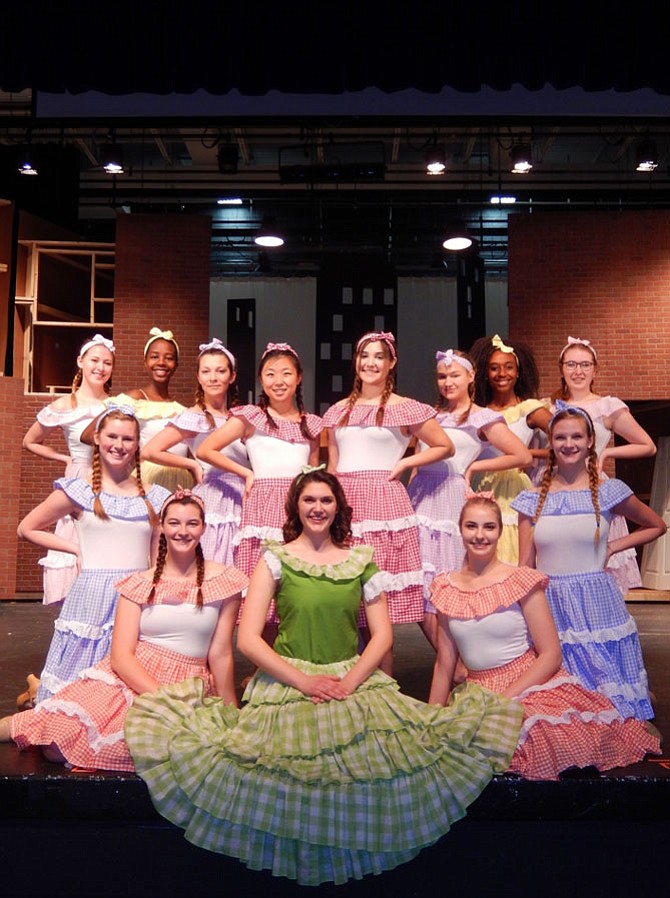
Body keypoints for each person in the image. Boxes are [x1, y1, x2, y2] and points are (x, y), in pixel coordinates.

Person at [123, 469, 523, 887]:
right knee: (285, 776)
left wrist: (350, 682)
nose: (317, 508)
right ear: (297, 505)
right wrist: (303, 681)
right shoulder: (274, 557)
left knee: (376, 770)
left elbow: (383, 634)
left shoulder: (361, 559)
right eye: (309, 499)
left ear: (338, 507)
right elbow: (249, 639)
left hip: (351, 679)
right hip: (288, 684)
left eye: (326, 500)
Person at [1, 490, 248, 771]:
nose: (183, 531)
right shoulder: (138, 583)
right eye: (174, 523)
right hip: (135, 676)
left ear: (203, 527)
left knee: (165, 748)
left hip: (188, 682)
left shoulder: (224, 581)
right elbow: (121, 655)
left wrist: (231, 711)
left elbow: (221, 653)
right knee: (57, 742)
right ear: (163, 527)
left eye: (192, 523)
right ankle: (16, 721)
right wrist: (163, 697)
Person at [429, 494, 661, 780]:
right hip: (478, 690)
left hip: (527, 684)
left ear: (500, 531)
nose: (480, 535)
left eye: (488, 527)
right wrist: (432, 721)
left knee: (538, 738)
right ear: (460, 529)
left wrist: (505, 698)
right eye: (472, 526)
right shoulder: (445, 587)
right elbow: (444, 664)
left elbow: (551, 655)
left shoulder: (521, 581)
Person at [513, 405, 666, 720]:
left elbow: (656, 525)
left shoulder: (607, 491)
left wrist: (613, 547)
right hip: (550, 602)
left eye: (576, 437)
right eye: (560, 437)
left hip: (596, 600)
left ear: (590, 441)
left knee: (606, 688)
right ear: (551, 443)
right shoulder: (532, 498)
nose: (568, 444)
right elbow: (525, 566)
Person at [18, 406, 171, 704]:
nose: (119, 444)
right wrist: (76, 548)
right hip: (94, 594)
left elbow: (155, 552)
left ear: (137, 443)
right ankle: (42, 698)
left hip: (136, 594)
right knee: (82, 682)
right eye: (112, 436)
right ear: (98, 439)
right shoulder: (79, 491)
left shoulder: (154, 496)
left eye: (127, 438)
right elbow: (27, 528)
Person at [322, 332, 454, 671]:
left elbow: (444, 446)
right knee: (349, 599)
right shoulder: (338, 410)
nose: (370, 362)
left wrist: (408, 462)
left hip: (385, 502)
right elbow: (333, 466)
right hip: (346, 504)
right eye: (364, 355)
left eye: (379, 356)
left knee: (378, 600)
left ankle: (385, 689)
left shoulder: (404, 408)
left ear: (391, 363)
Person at [407, 348, 531, 648]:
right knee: (417, 588)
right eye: (442, 376)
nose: (447, 381)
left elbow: (522, 454)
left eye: (454, 375)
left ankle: (461, 664)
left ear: (471, 376)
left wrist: (475, 466)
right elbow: (418, 459)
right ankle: (452, 664)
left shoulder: (481, 417)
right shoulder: (430, 416)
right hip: (420, 500)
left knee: (447, 586)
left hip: (450, 500)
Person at [196, 341, 322, 582]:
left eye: (286, 373)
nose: (279, 381)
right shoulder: (251, 417)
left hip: (299, 503)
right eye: (271, 374)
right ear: (261, 380)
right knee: (261, 571)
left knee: (297, 570)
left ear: (298, 378)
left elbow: (314, 473)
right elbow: (205, 449)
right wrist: (246, 473)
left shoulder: (311, 424)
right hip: (262, 502)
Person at [552, 335, 657, 593]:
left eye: (585, 365)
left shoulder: (606, 406)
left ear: (595, 370)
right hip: (555, 487)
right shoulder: (550, 407)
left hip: (593, 487)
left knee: (597, 569)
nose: (578, 371)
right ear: (562, 368)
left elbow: (647, 445)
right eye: (571, 364)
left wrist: (607, 455)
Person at [23, 333, 115, 606]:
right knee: (79, 549)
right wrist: (64, 460)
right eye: (95, 360)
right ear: (81, 362)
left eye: (107, 362)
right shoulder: (64, 405)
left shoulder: (116, 404)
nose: (100, 367)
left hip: (111, 481)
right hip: (79, 479)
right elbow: (30, 441)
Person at [141, 338, 249, 564]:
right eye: (206, 371)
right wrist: (192, 464)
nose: (213, 377)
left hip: (244, 493)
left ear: (232, 376)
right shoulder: (195, 416)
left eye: (220, 371)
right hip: (214, 492)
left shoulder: (240, 417)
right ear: (199, 377)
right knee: (213, 557)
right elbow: (151, 450)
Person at [468, 334, 551, 564]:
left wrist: (531, 455)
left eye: (508, 367)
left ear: (518, 371)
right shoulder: (478, 412)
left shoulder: (529, 409)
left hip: (513, 489)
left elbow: (569, 439)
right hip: (479, 486)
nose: (501, 374)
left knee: (512, 549)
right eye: (494, 368)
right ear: (485, 373)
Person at [84, 327, 190, 491]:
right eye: (154, 357)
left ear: (176, 365)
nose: (161, 362)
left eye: (168, 358)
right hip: (147, 479)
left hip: (182, 482)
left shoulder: (182, 411)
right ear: (145, 362)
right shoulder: (133, 399)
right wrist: (128, 456)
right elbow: (89, 435)